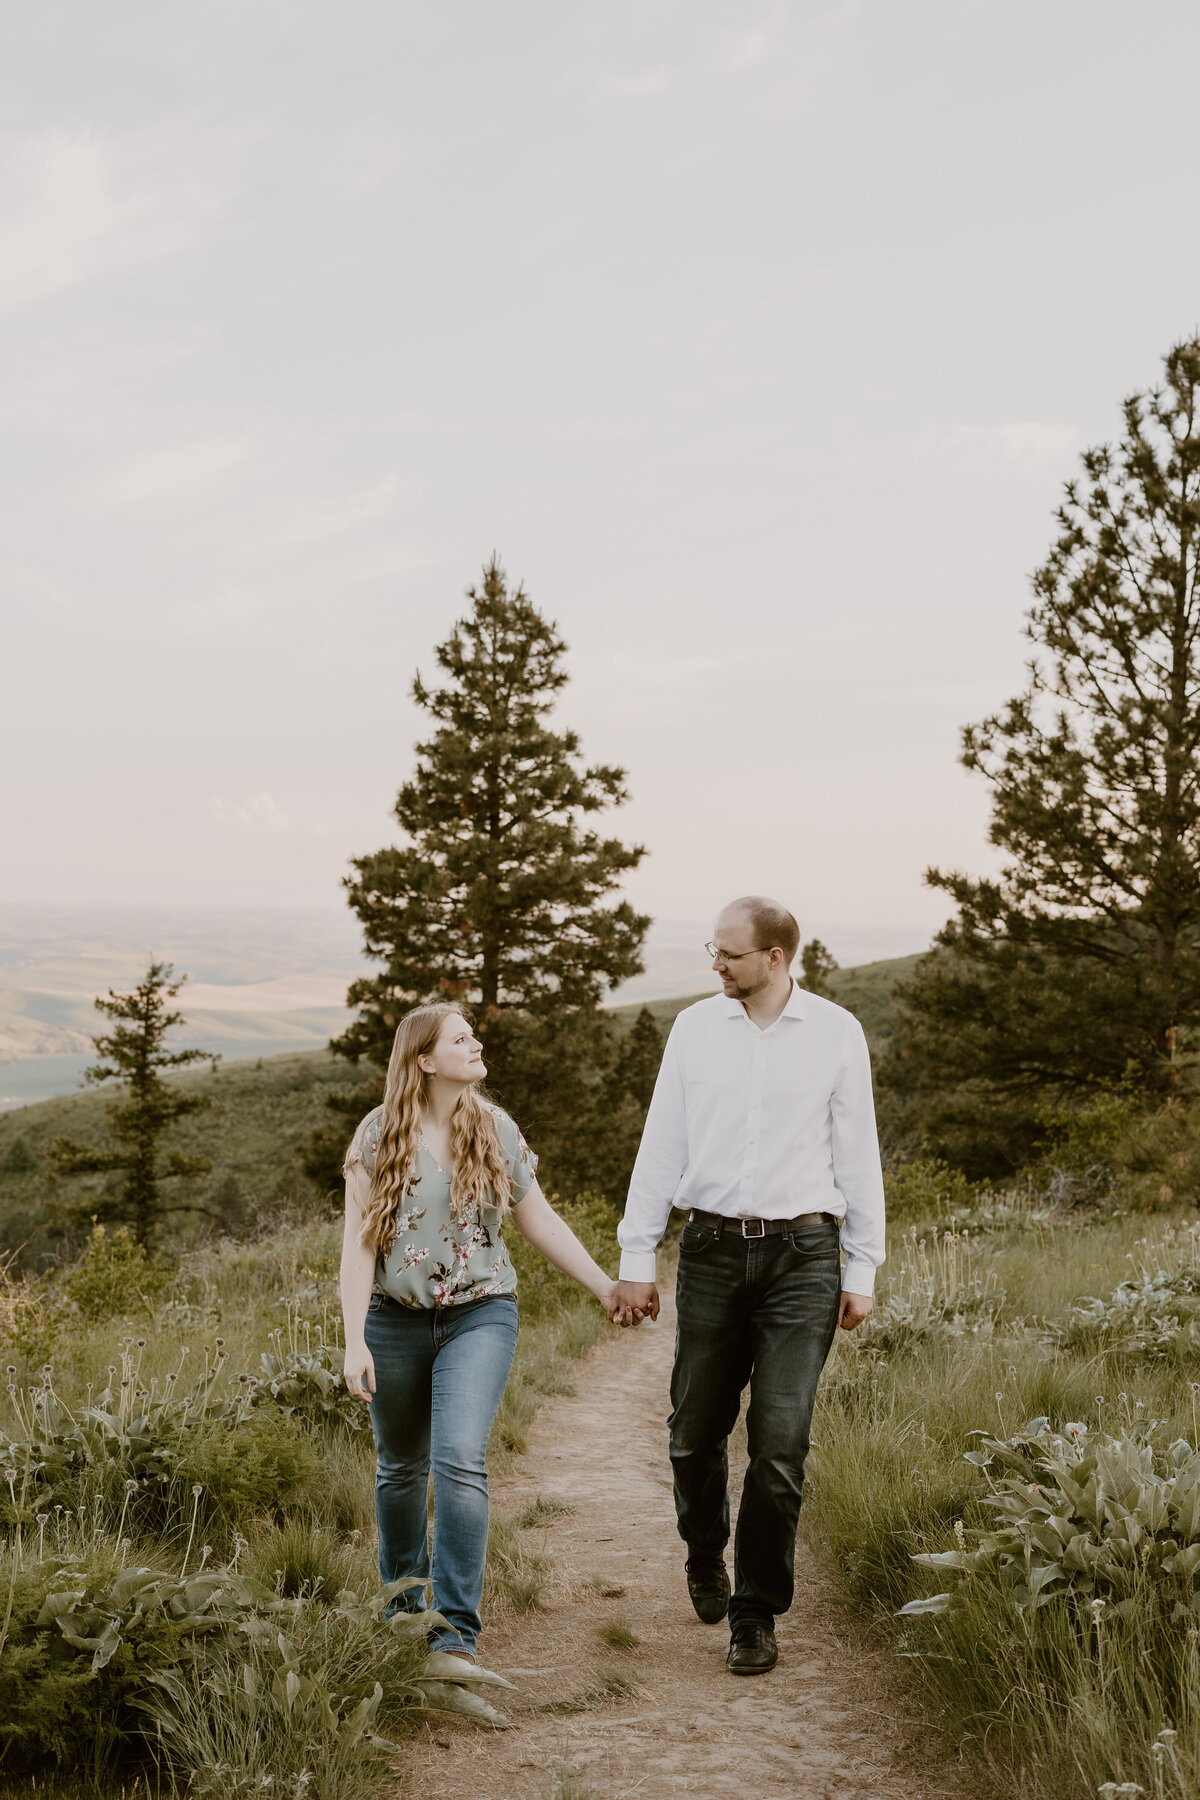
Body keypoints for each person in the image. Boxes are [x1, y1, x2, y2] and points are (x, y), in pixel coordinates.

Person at [612, 896, 885, 1677]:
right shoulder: (695, 1029)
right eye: (713, 950)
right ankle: (705, 1549)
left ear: (775, 958)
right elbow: (661, 1143)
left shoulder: (837, 1033)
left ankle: (755, 1610)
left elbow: (858, 1152)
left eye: (728, 953)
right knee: (694, 1428)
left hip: (805, 1255)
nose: (716, 964)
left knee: (780, 1442)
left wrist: (860, 1267)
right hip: (710, 1249)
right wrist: (638, 1256)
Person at [340, 1001, 623, 1672]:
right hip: (393, 1320)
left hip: (480, 1313)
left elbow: (539, 1220)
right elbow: (357, 1248)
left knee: (459, 1459)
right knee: (400, 1470)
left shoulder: (495, 1129)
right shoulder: (377, 1136)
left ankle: (455, 1636)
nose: (475, 1044)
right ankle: (404, 1614)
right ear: (425, 1060)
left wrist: (603, 1285)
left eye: (472, 1034)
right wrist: (354, 1340)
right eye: (459, 1038)